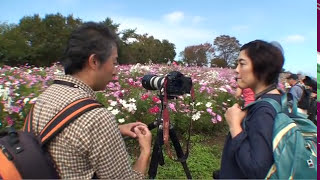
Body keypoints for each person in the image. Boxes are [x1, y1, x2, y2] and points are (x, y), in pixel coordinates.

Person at [31, 22, 152, 179]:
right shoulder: (97, 118)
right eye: (114, 62)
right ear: (94, 61)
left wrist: (115, 130)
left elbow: (67, 138)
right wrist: (145, 153)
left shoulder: (47, 95)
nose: (116, 72)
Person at [214, 40, 285, 179]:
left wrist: (234, 125)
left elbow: (258, 170)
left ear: (262, 68)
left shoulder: (264, 111)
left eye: (242, 63)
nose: (236, 69)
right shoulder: (281, 99)